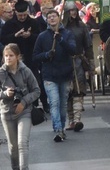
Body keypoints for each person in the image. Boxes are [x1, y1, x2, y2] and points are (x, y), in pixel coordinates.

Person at [0, 43, 41, 170]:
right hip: (7, 113)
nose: (8, 58)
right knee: (13, 147)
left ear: (18, 57)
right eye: (6, 56)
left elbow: (36, 90)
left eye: (11, 55)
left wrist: (23, 102)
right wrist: (4, 94)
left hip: (24, 112)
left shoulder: (25, 71)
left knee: (22, 143)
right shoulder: (0, 73)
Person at [32, 9, 76, 142]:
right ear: (46, 20)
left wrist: (61, 40)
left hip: (65, 74)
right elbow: (35, 56)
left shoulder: (67, 34)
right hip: (49, 75)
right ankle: (57, 129)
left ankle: (62, 127)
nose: (51, 19)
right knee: (54, 102)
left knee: (63, 104)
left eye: (54, 16)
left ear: (59, 18)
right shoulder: (42, 36)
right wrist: (46, 55)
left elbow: (73, 50)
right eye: (49, 17)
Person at [62, 2, 94, 132]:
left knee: (78, 91)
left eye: (75, 10)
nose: (73, 13)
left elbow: (88, 46)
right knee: (67, 92)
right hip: (64, 63)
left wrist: (91, 64)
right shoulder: (61, 28)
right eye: (70, 11)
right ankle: (71, 121)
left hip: (79, 62)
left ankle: (77, 119)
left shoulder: (82, 27)